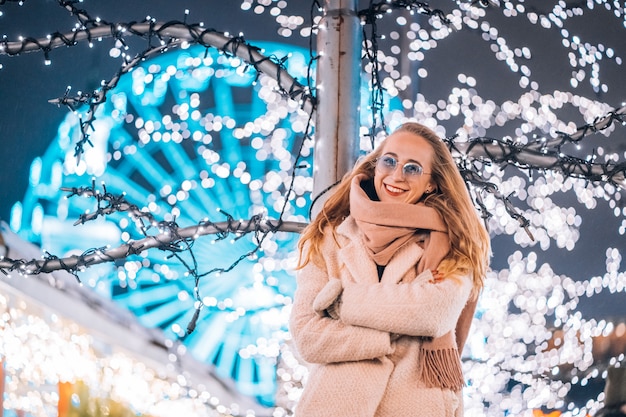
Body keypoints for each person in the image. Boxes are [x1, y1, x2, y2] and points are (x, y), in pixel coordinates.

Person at [289, 122, 491, 416]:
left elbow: (432, 313)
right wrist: (389, 336)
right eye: (390, 161)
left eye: (412, 168)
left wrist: (340, 300)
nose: (397, 175)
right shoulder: (329, 237)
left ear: (432, 182)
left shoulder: (455, 245)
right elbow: (309, 338)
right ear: (375, 166)